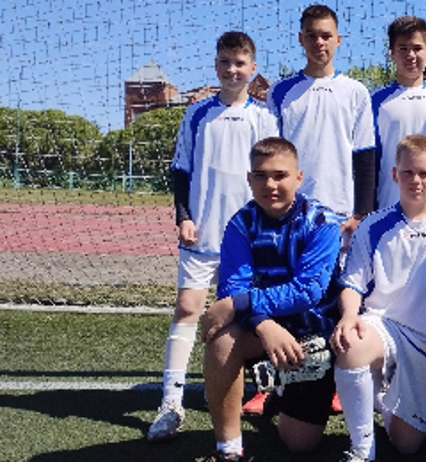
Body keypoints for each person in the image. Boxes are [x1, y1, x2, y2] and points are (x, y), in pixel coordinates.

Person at [147, 30, 278, 442]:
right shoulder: (197, 114)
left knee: (250, 315)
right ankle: (171, 402)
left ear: (252, 68)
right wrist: (184, 217)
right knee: (188, 308)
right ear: (216, 65)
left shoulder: (265, 117)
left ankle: (262, 391)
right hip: (202, 234)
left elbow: (272, 178)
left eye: (240, 63)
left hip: (247, 238)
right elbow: (181, 170)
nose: (232, 69)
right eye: (225, 62)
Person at [199, 137, 342, 461]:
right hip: (265, 330)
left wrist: (240, 305)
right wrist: (263, 325)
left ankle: (290, 386)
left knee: (299, 444)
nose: (270, 185)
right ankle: (229, 449)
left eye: (280, 175)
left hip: (315, 337)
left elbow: (308, 290)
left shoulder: (323, 222)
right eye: (261, 176)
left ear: (299, 178)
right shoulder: (240, 223)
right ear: (249, 179)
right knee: (221, 339)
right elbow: (233, 287)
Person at [330, 134, 426, 462]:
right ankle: (362, 450)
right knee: (351, 344)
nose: (415, 180)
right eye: (408, 172)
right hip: (383, 326)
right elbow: (352, 284)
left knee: (407, 445)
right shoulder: (373, 225)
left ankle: (380, 392)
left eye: (424, 173)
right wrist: (349, 316)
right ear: (394, 175)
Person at [267, 4, 376, 237]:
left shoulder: (355, 92)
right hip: (290, 212)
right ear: (300, 39)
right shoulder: (279, 92)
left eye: (326, 36)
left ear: (338, 40)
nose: (319, 42)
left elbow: (365, 155)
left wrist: (361, 214)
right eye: (311, 35)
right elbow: (270, 156)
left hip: (340, 214)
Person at [370, 15, 426, 210]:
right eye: (403, 48)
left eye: (417, 48)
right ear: (392, 53)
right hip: (390, 208)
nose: (410, 55)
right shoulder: (376, 101)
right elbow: (369, 160)